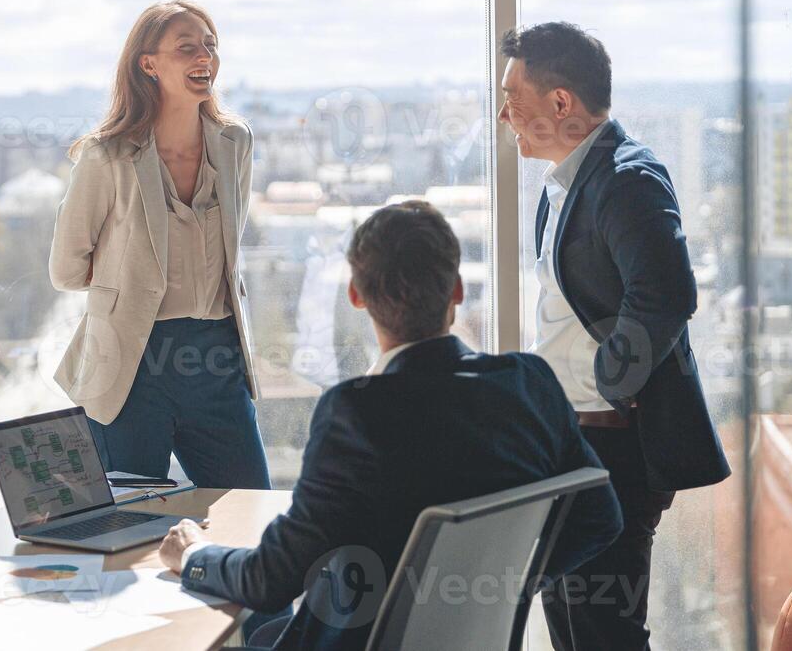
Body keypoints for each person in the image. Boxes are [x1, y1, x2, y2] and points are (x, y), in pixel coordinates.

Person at [158, 200, 623, 651]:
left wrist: (195, 555)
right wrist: (502, 587)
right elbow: (601, 519)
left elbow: (269, 580)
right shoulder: (529, 385)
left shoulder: (355, 416)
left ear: (356, 295)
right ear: (457, 290)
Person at [497, 22, 731, 651]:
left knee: (606, 632)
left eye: (511, 97)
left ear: (561, 103)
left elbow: (666, 296)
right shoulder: (561, 186)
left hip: (613, 445)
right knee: (570, 624)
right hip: (567, 439)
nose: (503, 114)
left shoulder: (629, 179)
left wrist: (612, 387)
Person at [48, 0, 270, 489]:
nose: (204, 58)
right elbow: (66, 270)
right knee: (129, 526)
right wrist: (128, 277)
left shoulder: (235, 143)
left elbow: (228, 259)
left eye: (210, 46)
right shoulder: (106, 156)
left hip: (217, 361)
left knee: (250, 514)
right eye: (187, 47)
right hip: (131, 368)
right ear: (148, 63)